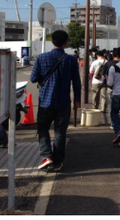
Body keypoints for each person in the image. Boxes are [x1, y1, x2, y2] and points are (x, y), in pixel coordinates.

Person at [30, 30, 81, 171]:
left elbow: (33, 78)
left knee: (43, 128)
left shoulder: (41, 58)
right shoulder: (71, 60)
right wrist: (77, 99)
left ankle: (47, 156)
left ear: (52, 41)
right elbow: (76, 81)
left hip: (45, 101)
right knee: (60, 132)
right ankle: (58, 162)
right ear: (66, 43)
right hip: (63, 102)